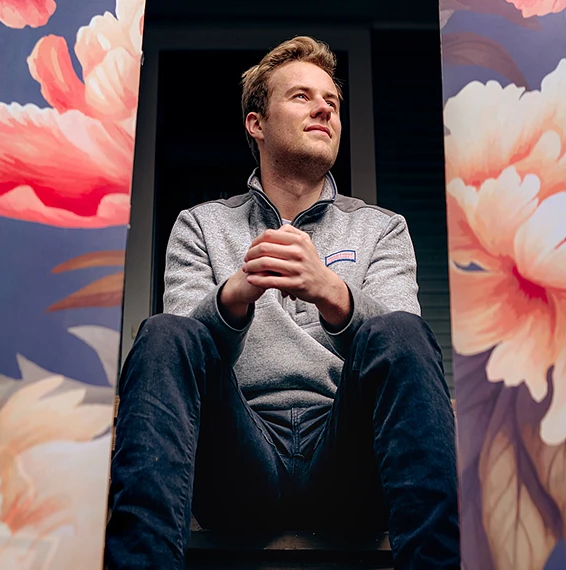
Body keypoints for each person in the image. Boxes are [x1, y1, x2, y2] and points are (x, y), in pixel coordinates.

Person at [104, 36, 460, 569]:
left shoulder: (381, 228)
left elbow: (405, 353)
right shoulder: (202, 224)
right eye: (301, 96)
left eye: (332, 102)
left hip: (347, 464)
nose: (324, 108)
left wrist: (330, 291)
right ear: (256, 123)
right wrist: (235, 295)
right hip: (240, 461)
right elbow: (176, 358)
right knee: (162, 333)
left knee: (403, 331)